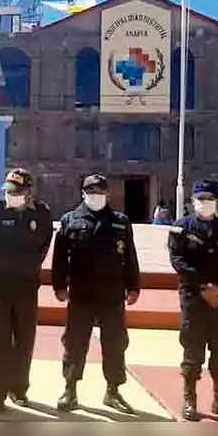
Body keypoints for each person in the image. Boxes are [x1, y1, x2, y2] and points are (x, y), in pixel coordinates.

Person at [52, 174, 140, 413]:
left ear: (107, 194)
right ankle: (70, 389)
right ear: (83, 193)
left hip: (112, 293)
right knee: (74, 342)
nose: (95, 196)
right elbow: (59, 258)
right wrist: (58, 285)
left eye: (100, 192)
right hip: (81, 293)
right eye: (91, 192)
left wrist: (134, 286)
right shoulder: (70, 220)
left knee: (115, 343)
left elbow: (129, 256)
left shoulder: (120, 221)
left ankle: (113, 391)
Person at [168, 180, 218, 422]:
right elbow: (178, 261)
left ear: (217, 201)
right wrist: (204, 287)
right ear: (192, 201)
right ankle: (189, 399)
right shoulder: (181, 228)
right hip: (194, 298)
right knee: (192, 351)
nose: (204, 203)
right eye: (200, 199)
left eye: (209, 199)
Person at [0, 168, 53, 413]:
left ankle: (19, 390)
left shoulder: (41, 214)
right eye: (8, 191)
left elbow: (44, 245)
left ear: (29, 192)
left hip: (27, 286)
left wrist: (26, 266)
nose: (12, 195)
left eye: (17, 191)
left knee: (24, 339)